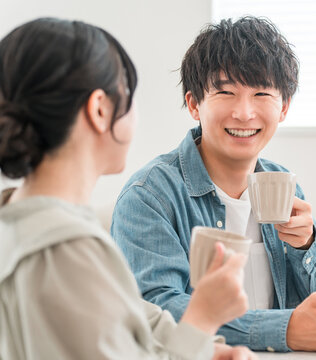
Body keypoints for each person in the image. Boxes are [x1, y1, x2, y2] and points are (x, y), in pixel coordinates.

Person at [111, 16, 316, 353]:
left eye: (261, 93)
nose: (244, 112)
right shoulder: (149, 196)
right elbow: (158, 310)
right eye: (226, 92)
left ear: (283, 108)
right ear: (194, 104)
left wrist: (306, 246)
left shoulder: (284, 186)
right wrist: (284, 330)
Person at [0, 17, 256, 360]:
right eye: (130, 94)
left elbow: (125, 316)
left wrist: (201, 349)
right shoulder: (66, 251)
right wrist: (202, 319)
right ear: (100, 109)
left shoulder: (22, 224)